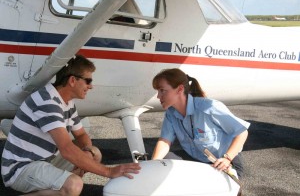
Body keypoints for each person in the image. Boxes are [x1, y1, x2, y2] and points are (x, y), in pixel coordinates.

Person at [1, 55, 140, 196]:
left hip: (45, 161)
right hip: (20, 169)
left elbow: (81, 134)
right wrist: (109, 171)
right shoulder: (47, 102)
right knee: (73, 185)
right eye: (88, 81)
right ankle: (63, 189)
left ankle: (57, 188)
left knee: (94, 153)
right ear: (73, 80)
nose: (91, 86)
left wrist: (87, 151)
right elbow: (67, 149)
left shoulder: (67, 102)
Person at [151, 68, 249, 179]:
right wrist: (152, 165)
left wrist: (227, 158)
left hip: (223, 164)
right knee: (163, 162)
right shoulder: (171, 113)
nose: (158, 96)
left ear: (179, 89)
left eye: (162, 90)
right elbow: (164, 141)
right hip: (198, 161)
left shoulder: (209, 107)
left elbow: (242, 133)